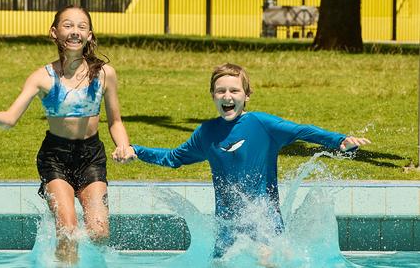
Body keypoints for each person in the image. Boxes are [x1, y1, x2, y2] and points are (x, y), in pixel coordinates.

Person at [113, 63, 370, 258]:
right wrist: (137, 149)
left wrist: (339, 140)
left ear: (246, 95)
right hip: (227, 228)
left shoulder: (262, 124)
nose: (227, 96)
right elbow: (174, 158)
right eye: (220, 91)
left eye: (234, 90)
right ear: (213, 95)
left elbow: (301, 131)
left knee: (266, 257)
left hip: (265, 223)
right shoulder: (207, 134)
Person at [0, 5, 132, 264]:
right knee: (67, 230)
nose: (75, 32)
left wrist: (123, 145)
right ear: (54, 32)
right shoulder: (42, 78)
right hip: (55, 157)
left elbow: (115, 121)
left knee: (99, 232)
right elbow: (10, 119)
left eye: (81, 27)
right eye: (68, 26)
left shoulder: (104, 75)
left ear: (90, 35)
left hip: (91, 156)